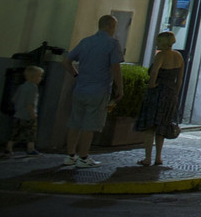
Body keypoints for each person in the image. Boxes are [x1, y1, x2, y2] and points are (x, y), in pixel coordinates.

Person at [63, 14, 124, 169]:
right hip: (99, 89)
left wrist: (76, 75)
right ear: (110, 26)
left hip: (81, 88)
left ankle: (70, 156)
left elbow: (66, 61)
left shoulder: (86, 41)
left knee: (75, 122)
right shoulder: (113, 44)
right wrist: (120, 87)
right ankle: (84, 157)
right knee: (90, 125)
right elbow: (116, 67)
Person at [135, 30, 185, 166]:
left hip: (158, 92)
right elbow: (180, 79)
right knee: (162, 126)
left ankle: (147, 158)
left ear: (162, 42)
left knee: (150, 126)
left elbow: (155, 72)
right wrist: (175, 92)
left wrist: (151, 86)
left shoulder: (161, 55)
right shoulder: (178, 56)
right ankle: (158, 157)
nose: (156, 43)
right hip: (170, 93)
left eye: (158, 41)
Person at [6, 65, 43, 157]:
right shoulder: (33, 88)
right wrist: (33, 114)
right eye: (40, 76)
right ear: (34, 78)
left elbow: (14, 100)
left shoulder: (21, 86)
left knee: (15, 132)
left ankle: (8, 148)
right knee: (31, 133)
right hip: (28, 115)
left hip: (18, 114)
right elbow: (30, 103)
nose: (41, 78)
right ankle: (30, 149)